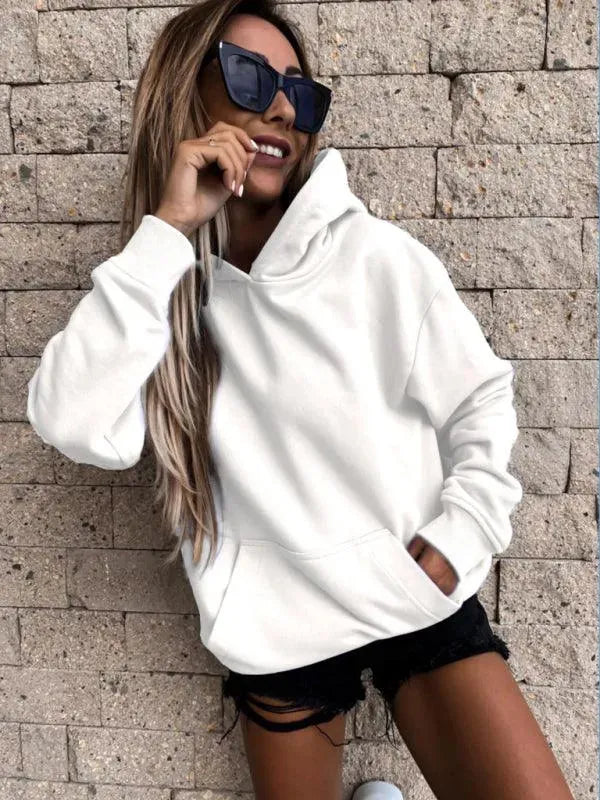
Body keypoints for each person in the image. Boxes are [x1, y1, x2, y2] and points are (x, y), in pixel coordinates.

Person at [26, 1, 576, 798]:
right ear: (186, 93)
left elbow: (481, 399)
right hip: (278, 626)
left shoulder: (375, 259)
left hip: (409, 590)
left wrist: (458, 538)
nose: (283, 108)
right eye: (249, 78)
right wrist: (167, 230)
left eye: (301, 94)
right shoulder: (162, 290)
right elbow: (71, 421)